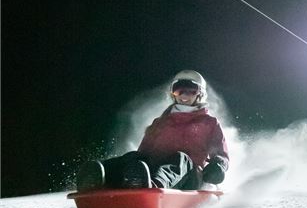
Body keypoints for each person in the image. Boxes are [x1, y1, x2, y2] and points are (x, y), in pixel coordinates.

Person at [76, 70, 229, 192]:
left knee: (180, 158)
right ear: (172, 93)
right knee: (134, 156)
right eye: (179, 90)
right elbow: (144, 152)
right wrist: (135, 165)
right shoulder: (160, 122)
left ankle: (153, 185)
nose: (184, 95)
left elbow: (222, 154)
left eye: (191, 91)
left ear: (200, 94)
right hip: (152, 172)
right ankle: (99, 176)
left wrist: (218, 166)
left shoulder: (210, 123)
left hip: (190, 176)